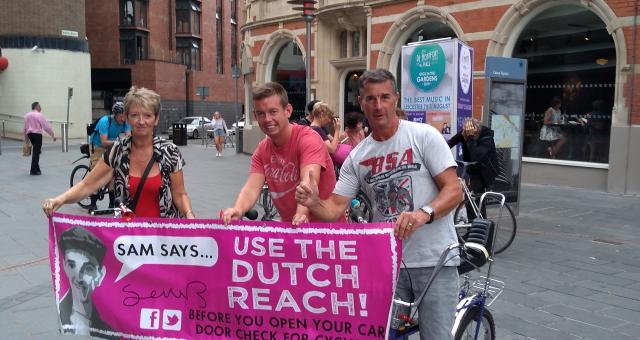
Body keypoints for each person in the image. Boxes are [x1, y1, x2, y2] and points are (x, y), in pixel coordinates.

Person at [295, 69, 463, 340]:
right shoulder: (357, 156)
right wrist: (314, 202)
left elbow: (455, 190)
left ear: (395, 98)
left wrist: (423, 214)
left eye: (385, 97)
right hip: (388, 265)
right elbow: (335, 209)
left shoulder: (424, 136)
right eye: (370, 99)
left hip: (435, 261)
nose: (378, 105)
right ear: (361, 103)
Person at [42, 86, 195, 219]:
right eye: (134, 115)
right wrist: (59, 200)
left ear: (156, 119)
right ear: (127, 118)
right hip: (129, 240)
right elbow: (87, 185)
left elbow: (180, 195)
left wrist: (189, 216)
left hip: (164, 239)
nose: (141, 121)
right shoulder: (118, 151)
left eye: (147, 115)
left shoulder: (170, 152)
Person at [222, 82, 341, 225]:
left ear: (288, 111)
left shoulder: (308, 138)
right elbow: (251, 188)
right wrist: (238, 209)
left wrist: (301, 213)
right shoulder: (262, 149)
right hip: (291, 232)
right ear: (255, 115)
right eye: (261, 113)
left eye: (273, 112)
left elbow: (308, 180)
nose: (267, 119)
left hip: (327, 233)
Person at [57, 227, 116, 338]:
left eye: (88, 269)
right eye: (72, 265)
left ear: (100, 275)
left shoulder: (110, 330)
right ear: (64, 265)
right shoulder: (61, 314)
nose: (79, 278)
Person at [447, 117, 498, 221]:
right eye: (465, 133)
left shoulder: (486, 137)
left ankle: (474, 229)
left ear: (476, 132)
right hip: (473, 170)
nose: (464, 136)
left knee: (469, 198)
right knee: (477, 200)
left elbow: (476, 156)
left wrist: (470, 138)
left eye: (468, 134)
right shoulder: (466, 132)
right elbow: (448, 144)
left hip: (485, 173)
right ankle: (480, 229)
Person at [88, 102, 131, 211]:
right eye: (121, 116)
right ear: (115, 115)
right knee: (96, 174)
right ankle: (93, 204)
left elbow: (128, 137)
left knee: (112, 173)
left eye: (124, 115)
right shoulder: (105, 121)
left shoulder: (125, 121)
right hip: (97, 145)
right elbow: (104, 142)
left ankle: (112, 203)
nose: (123, 118)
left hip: (112, 145)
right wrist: (120, 142)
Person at [23, 102, 56, 175]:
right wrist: (52, 135)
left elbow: (25, 128)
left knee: (37, 151)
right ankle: (33, 170)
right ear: (36, 106)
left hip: (30, 134)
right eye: (39, 106)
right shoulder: (39, 115)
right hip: (37, 135)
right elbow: (46, 126)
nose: (41, 107)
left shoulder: (27, 115)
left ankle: (37, 169)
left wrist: (26, 140)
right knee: (36, 152)